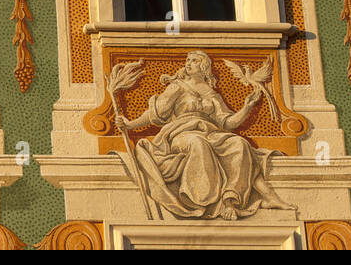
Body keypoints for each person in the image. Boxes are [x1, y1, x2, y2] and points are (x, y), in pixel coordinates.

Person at [114, 51, 295, 220]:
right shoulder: (177, 87)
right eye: (188, 60)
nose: (189, 64)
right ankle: (197, 199)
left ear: (204, 66)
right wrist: (130, 124)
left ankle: (229, 201)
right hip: (180, 133)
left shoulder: (212, 94)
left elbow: (227, 123)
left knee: (239, 144)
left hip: (211, 133)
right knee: (197, 143)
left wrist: (247, 107)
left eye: (194, 60)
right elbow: (155, 113)